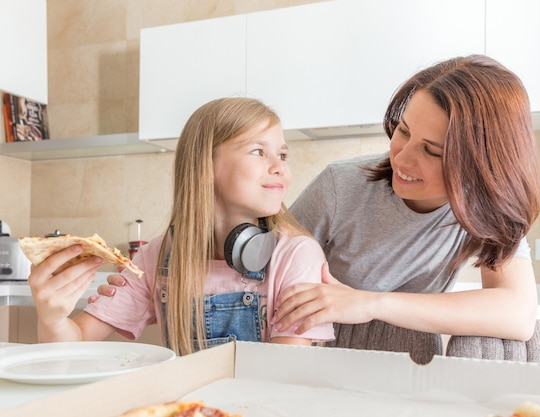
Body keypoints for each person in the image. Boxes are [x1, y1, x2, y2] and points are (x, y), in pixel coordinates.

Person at [96, 54, 540, 343]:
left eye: (431, 150)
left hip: (404, 354)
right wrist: (165, 273)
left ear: (480, 165)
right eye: (403, 131)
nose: (402, 156)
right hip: (319, 347)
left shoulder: (490, 212)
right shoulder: (341, 185)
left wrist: (369, 302)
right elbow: (258, 253)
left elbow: (517, 315)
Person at [28, 97, 335, 355]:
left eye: (282, 154)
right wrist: (52, 318)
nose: (280, 166)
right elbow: (73, 343)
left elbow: (283, 376)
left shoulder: (296, 255)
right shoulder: (156, 257)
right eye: (258, 151)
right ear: (206, 165)